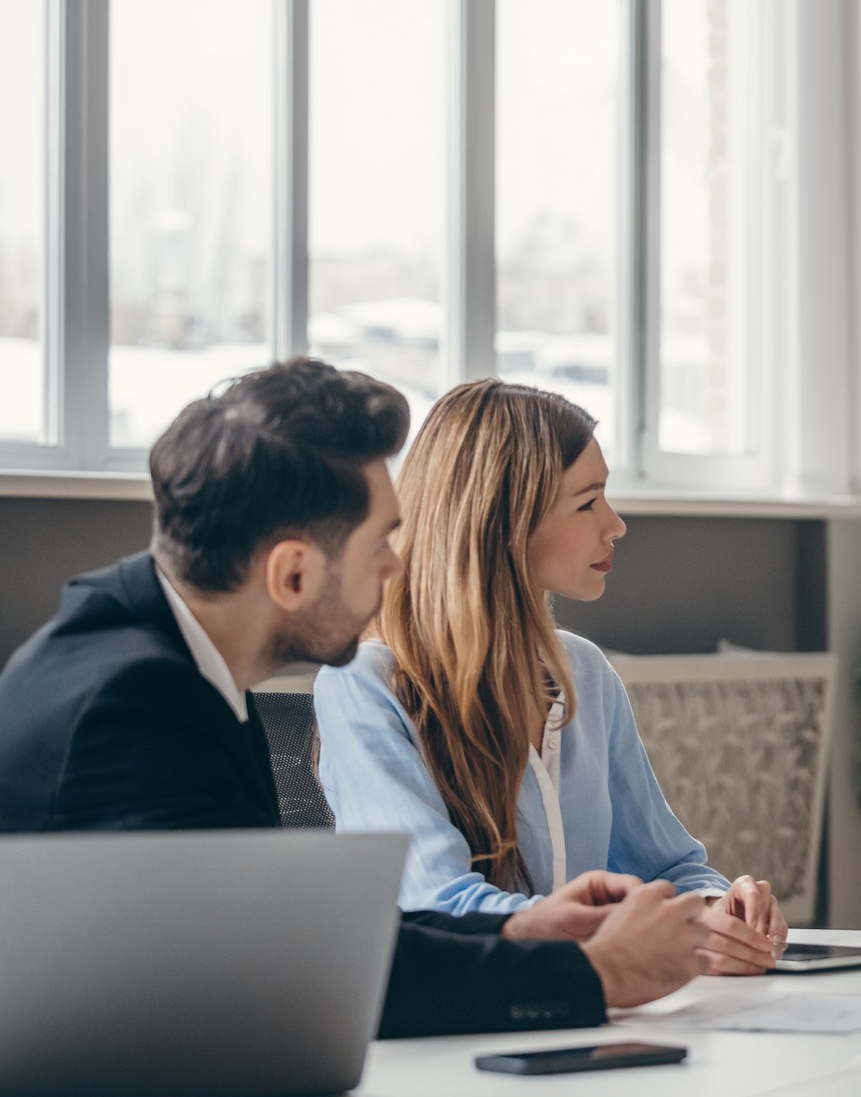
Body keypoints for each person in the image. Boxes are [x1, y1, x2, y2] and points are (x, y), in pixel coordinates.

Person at [0, 358, 730, 1038]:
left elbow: (286, 935)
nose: (398, 565)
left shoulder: (176, 668)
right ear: (292, 573)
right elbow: (282, 977)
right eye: (381, 543)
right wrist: (593, 973)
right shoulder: (131, 705)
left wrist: (515, 932)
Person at [314, 379, 787, 973]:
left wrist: (719, 908)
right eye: (587, 503)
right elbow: (433, 902)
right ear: (501, 520)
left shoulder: (583, 672)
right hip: (468, 1014)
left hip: (589, 1005)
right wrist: (609, 943)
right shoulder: (367, 684)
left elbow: (667, 867)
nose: (615, 525)